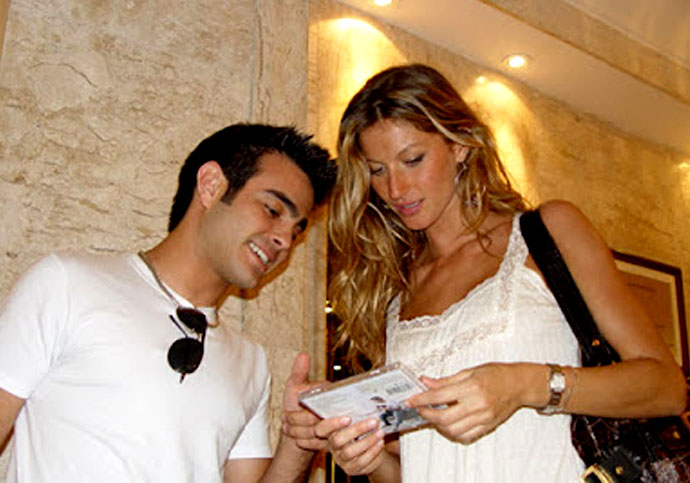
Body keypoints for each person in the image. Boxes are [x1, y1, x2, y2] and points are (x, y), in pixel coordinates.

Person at [283, 64, 688, 481]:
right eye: (377, 170)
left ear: (460, 145)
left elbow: (667, 387)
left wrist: (524, 384)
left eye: (413, 159)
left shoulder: (546, 233)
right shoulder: (396, 292)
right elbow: (421, 465)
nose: (395, 190)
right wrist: (372, 460)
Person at [0, 123, 336, 482]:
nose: (285, 240)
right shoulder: (67, 284)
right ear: (211, 185)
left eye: (297, 230)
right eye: (272, 210)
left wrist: (297, 443)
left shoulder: (251, 363)